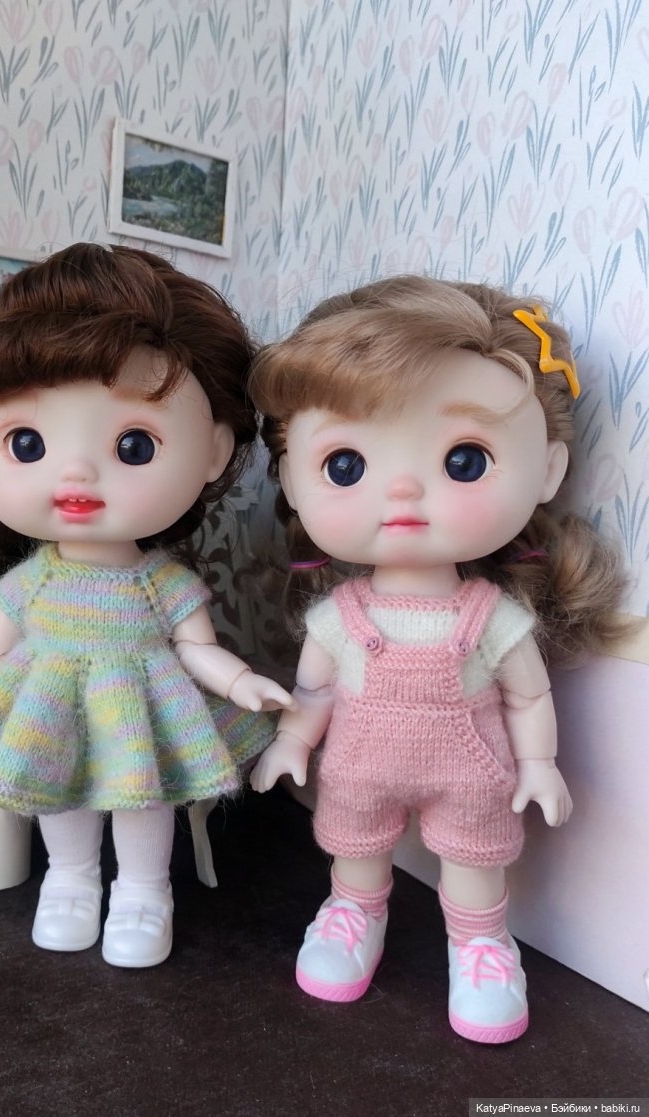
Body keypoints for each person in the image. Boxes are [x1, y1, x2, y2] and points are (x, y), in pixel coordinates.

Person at [248, 276, 625, 1042]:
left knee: (475, 862)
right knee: (356, 852)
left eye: (464, 459)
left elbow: (527, 697)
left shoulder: (489, 616)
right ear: (292, 478)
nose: (402, 492)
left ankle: (481, 944)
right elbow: (314, 690)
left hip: (472, 772)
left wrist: (540, 763)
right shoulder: (341, 614)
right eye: (346, 464)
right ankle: (353, 914)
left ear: (547, 471)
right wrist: (291, 741)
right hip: (360, 767)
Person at [0, 242, 290, 968]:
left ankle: (146, 890)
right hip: (48, 703)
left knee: (142, 793)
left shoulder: (158, 582)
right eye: (27, 442)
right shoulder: (32, 582)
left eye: (134, 445)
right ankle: (70, 879)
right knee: (60, 791)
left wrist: (243, 683)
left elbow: (197, 648)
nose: (76, 473)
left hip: (141, 706)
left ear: (213, 452)